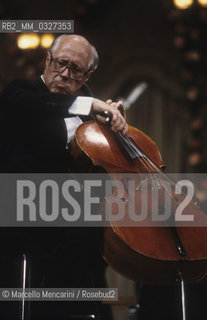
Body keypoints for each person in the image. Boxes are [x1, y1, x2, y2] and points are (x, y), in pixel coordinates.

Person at [0, 34, 128, 319]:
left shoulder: (88, 114)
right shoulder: (19, 95)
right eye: (61, 63)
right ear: (47, 60)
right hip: (24, 222)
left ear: (88, 75)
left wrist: (112, 125)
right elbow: (34, 106)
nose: (65, 74)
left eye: (76, 70)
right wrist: (91, 104)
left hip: (73, 233)